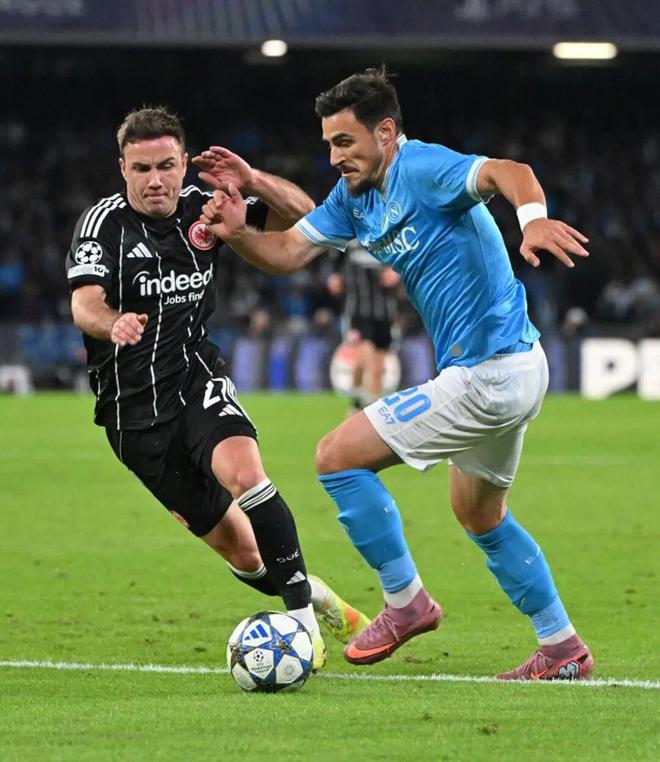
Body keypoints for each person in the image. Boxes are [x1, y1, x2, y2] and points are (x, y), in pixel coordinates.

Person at [199, 67, 595, 681]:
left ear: (385, 132)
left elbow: (508, 171)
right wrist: (238, 233)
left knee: (336, 457)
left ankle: (406, 602)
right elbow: (288, 252)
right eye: (329, 144)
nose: (334, 157)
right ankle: (561, 646)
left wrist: (533, 219)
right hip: (511, 368)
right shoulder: (353, 198)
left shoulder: (422, 167)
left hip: (488, 373)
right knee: (480, 515)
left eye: (345, 142)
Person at [66, 106, 369, 671]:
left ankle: (303, 631)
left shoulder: (203, 209)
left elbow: (310, 218)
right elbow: (85, 303)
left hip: (195, 378)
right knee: (247, 555)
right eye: (141, 168)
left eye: (166, 166)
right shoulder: (103, 225)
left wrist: (253, 183)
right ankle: (320, 598)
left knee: (247, 476)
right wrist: (114, 323)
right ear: (123, 168)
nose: (155, 180)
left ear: (184, 164)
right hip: (133, 418)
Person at [327, 240, 401, 415]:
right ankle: (367, 411)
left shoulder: (388, 235)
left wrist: (397, 271)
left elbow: (402, 260)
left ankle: (359, 407)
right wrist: (334, 278)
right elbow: (334, 265)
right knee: (368, 362)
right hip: (357, 312)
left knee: (378, 368)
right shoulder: (349, 238)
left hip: (384, 313)